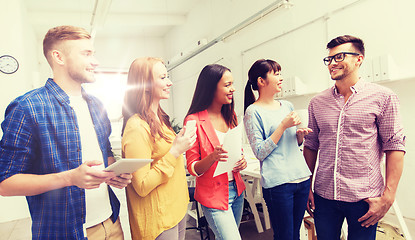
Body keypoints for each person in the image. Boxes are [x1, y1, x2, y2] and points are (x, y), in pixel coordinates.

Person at [0, 25, 132, 240]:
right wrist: (69, 178)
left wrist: (113, 173)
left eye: (93, 53)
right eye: (86, 53)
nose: (95, 61)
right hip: (65, 232)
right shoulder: (27, 108)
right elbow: (5, 183)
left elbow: (104, 151)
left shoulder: (96, 105)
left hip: (112, 223)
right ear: (58, 57)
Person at [303, 35, 406, 240]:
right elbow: (311, 145)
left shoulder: (383, 97)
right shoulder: (317, 102)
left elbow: (395, 146)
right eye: (329, 59)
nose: (332, 63)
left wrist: (388, 196)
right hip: (325, 196)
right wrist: (307, 186)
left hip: (365, 198)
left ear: (359, 59)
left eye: (339, 57)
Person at [121, 57, 196, 240]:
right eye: (162, 78)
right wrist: (175, 151)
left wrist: (181, 145)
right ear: (145, 85)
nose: (169, 82)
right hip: (158, 219)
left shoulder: (160, 118)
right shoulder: (137, 127)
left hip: (175, 208)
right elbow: (142, 185)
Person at [243, 59, 312, 240]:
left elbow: (289, 144)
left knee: (295, 235)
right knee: (285, 236)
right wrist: (282, 126)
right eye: (276, 73)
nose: (281, 78)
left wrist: (299, 136)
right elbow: (259, 152)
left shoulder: (287, 105)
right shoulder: (252, 112)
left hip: (302, 178)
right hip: (279, 183)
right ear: (261, 81)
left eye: (280, 73)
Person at [184, 64, 247, 240]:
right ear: (211, 87)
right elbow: (193, 168)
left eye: (232, 84)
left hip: (237, 190)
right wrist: (212, 157)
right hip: (213, 196)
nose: (233, 89)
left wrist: (241, 160)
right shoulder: (193, 120)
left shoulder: (231, 115)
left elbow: (237, 151)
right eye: (227, 85)